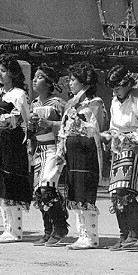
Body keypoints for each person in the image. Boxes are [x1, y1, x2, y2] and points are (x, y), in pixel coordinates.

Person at [55, 61, 107, 250]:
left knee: (86, 194)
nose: (70, 83)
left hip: (87, 152)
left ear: (84, 82)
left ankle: (92, 236)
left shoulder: (95, 102)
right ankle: (82, 234)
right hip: (73, 152)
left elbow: (98, 128)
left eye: (73, 80)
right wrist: (61, 150)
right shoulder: (70, 104)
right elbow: (63, 129)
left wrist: (80, 122)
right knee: (74, 193)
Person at [100, 65, 138, 251]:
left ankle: (136, 229)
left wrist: (132, 139)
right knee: (115, 192)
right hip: (118, 147)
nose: (115, 90)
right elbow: (114, 126)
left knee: (124, 190)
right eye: (113, 87)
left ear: (128, 84)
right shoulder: (114, 102)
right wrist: (108, 135)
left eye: (118, 86)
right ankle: (124, 233)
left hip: (134, 147)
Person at [0, 53, 32, 243]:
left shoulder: (19, 94)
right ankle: (7, 227)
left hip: (13, 144)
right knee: (1, 182)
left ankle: (16, 230)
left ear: (13, 73)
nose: (0, 75)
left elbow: (25, 120)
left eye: (3, 71)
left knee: (12, 183)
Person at [28, 63, 69, 247]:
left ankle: (60, 227)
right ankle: (48, 229)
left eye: (39, 77)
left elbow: (68, 125)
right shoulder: (34, 103)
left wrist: (50, 123)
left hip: (54, 148)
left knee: (47, 188)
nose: (35, 80)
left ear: (50, 82)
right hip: (40, 150)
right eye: (34, 77)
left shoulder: (59, 103)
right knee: (39, 191)